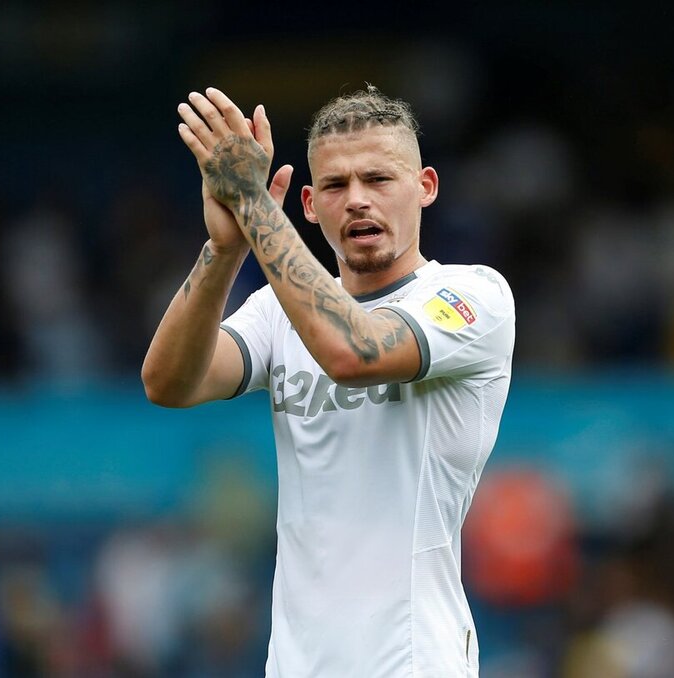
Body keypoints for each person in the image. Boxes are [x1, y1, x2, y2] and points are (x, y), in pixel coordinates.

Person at [142, 85, 515, 677]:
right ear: (311, 204)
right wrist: (224, 246)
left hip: (412, 661)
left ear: (425, 187)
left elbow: (353, 349)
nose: (358, 200)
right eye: (337, 186)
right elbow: (169, 382)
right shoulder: (275, 310)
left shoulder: (473, 297)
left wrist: (256, 207)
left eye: (378, 179)